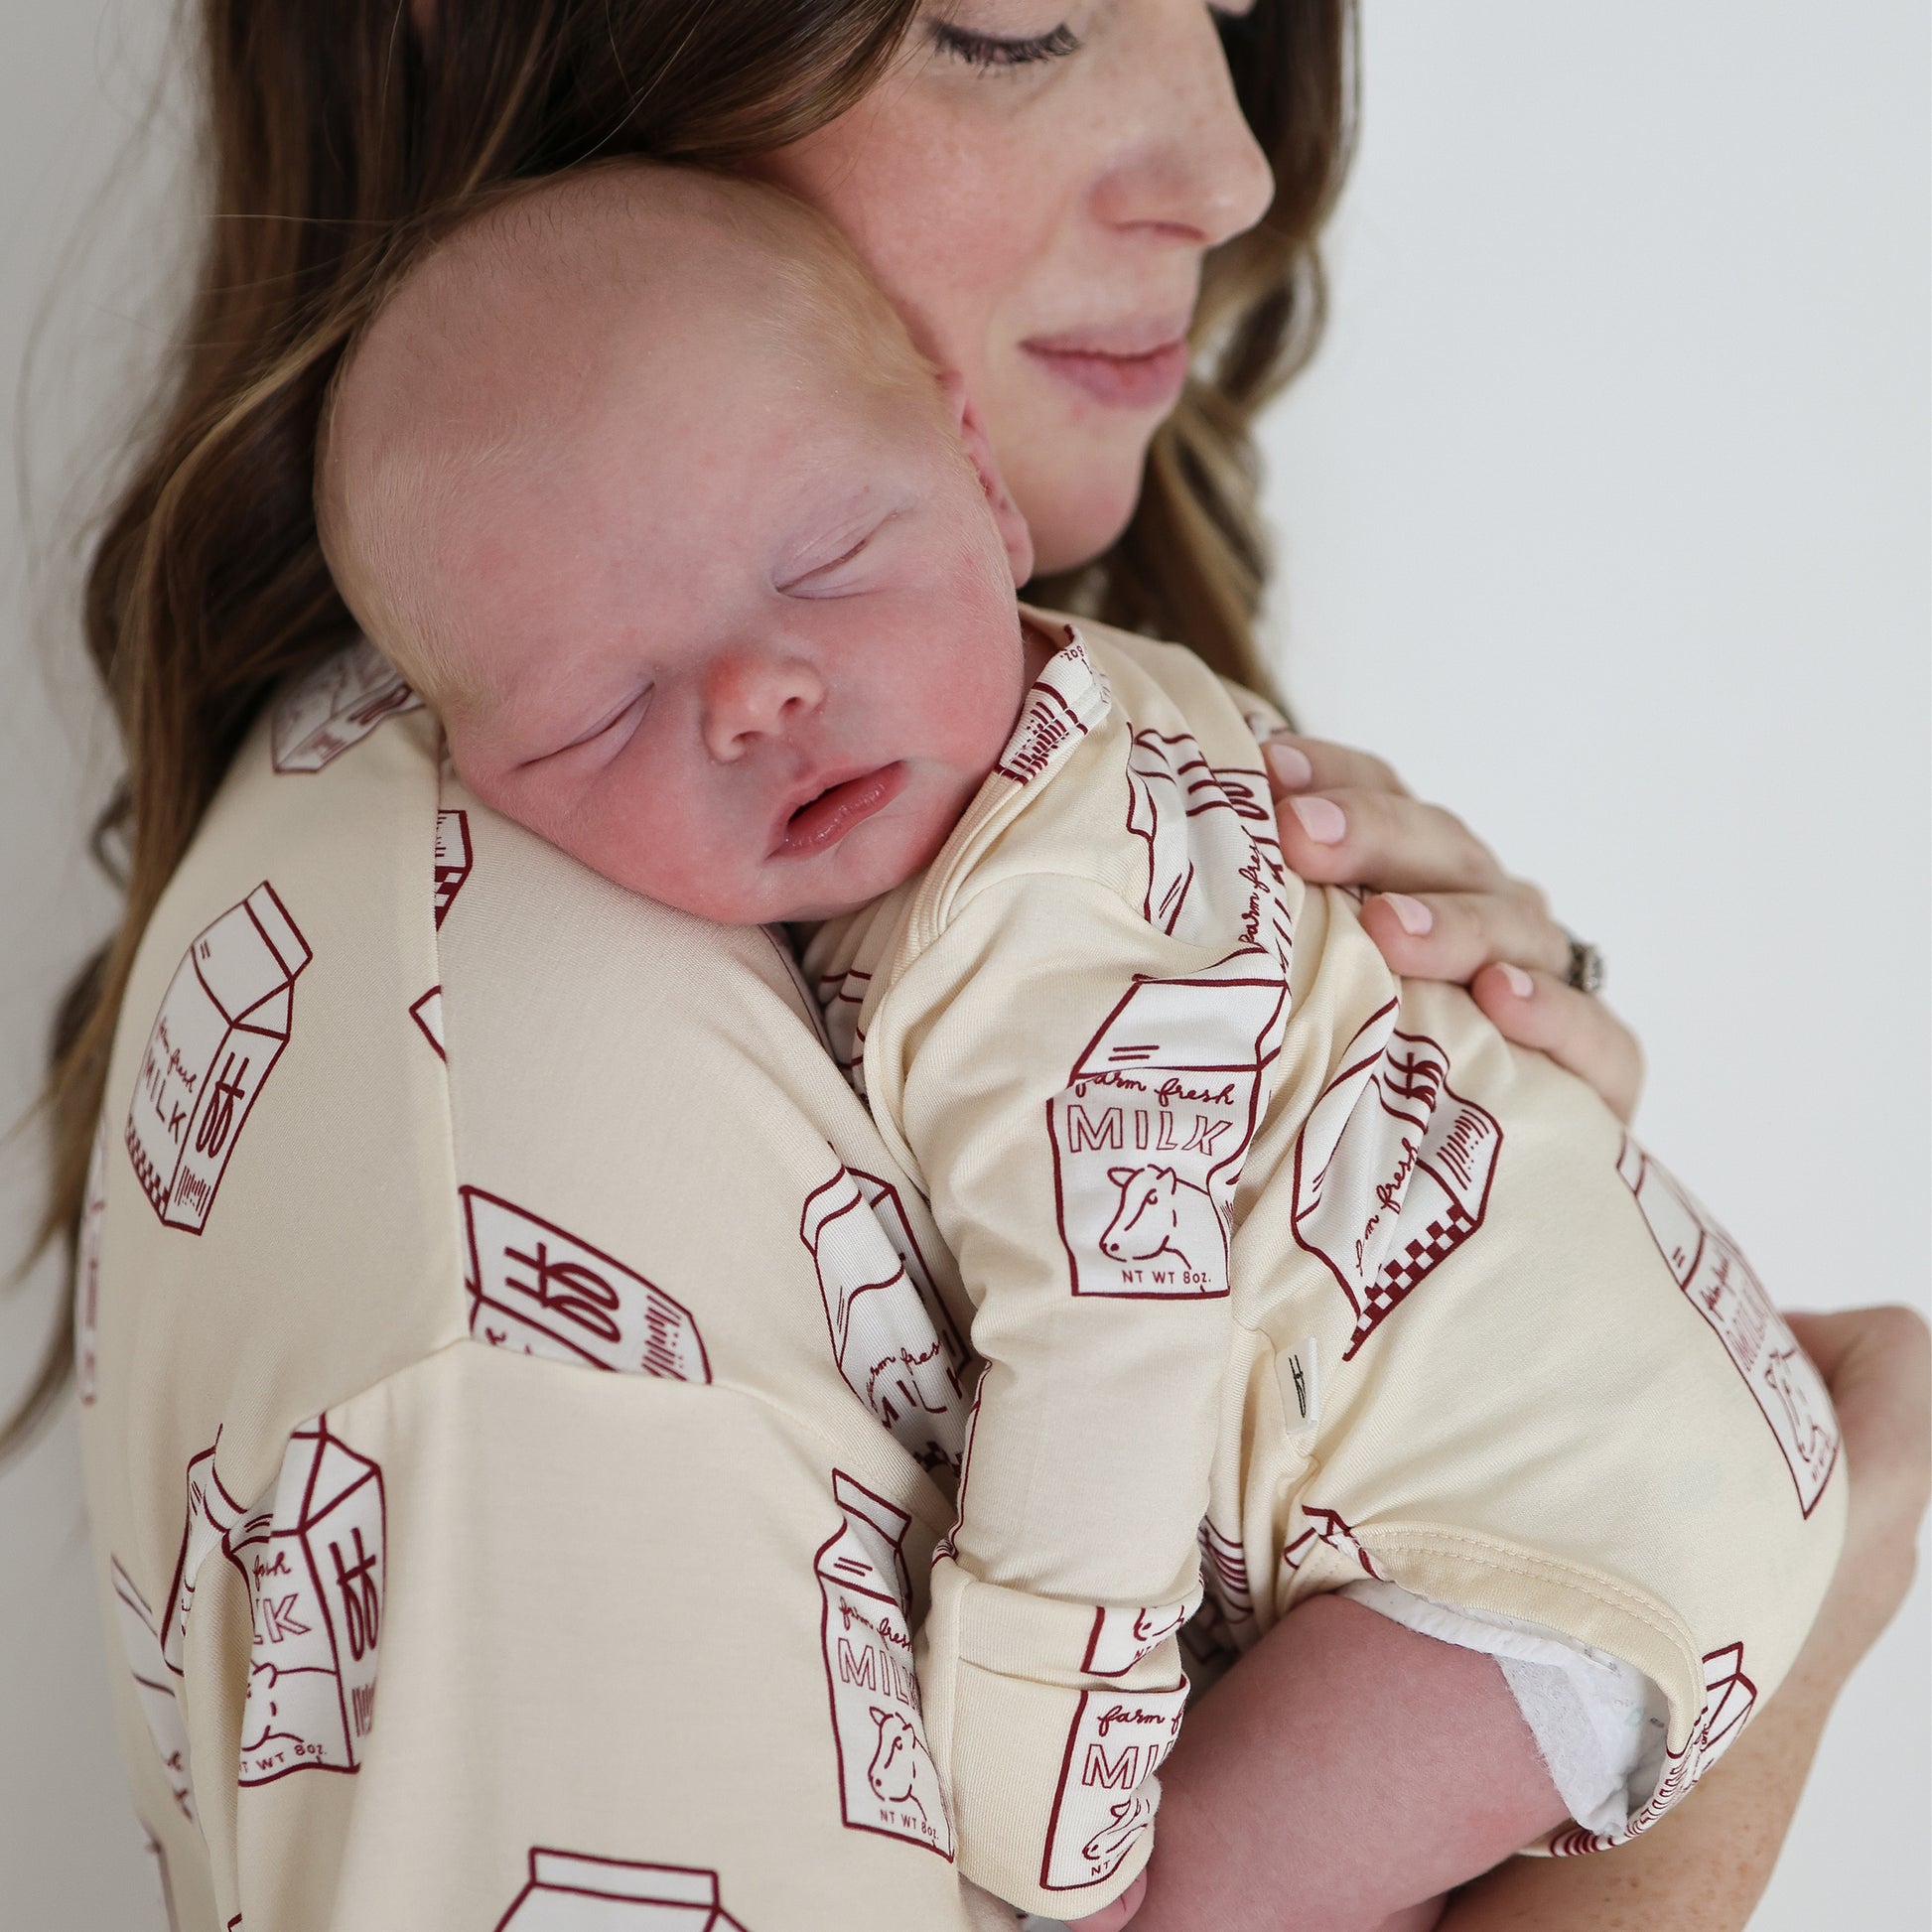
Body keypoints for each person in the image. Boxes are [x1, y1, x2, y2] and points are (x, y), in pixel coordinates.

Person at [25, 4, 1924, 1930]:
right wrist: (1747, 1710)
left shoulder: (1000, 776)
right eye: (1013, 20)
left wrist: (1463, 1143)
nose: (1232, 166)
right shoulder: (525, 1067)